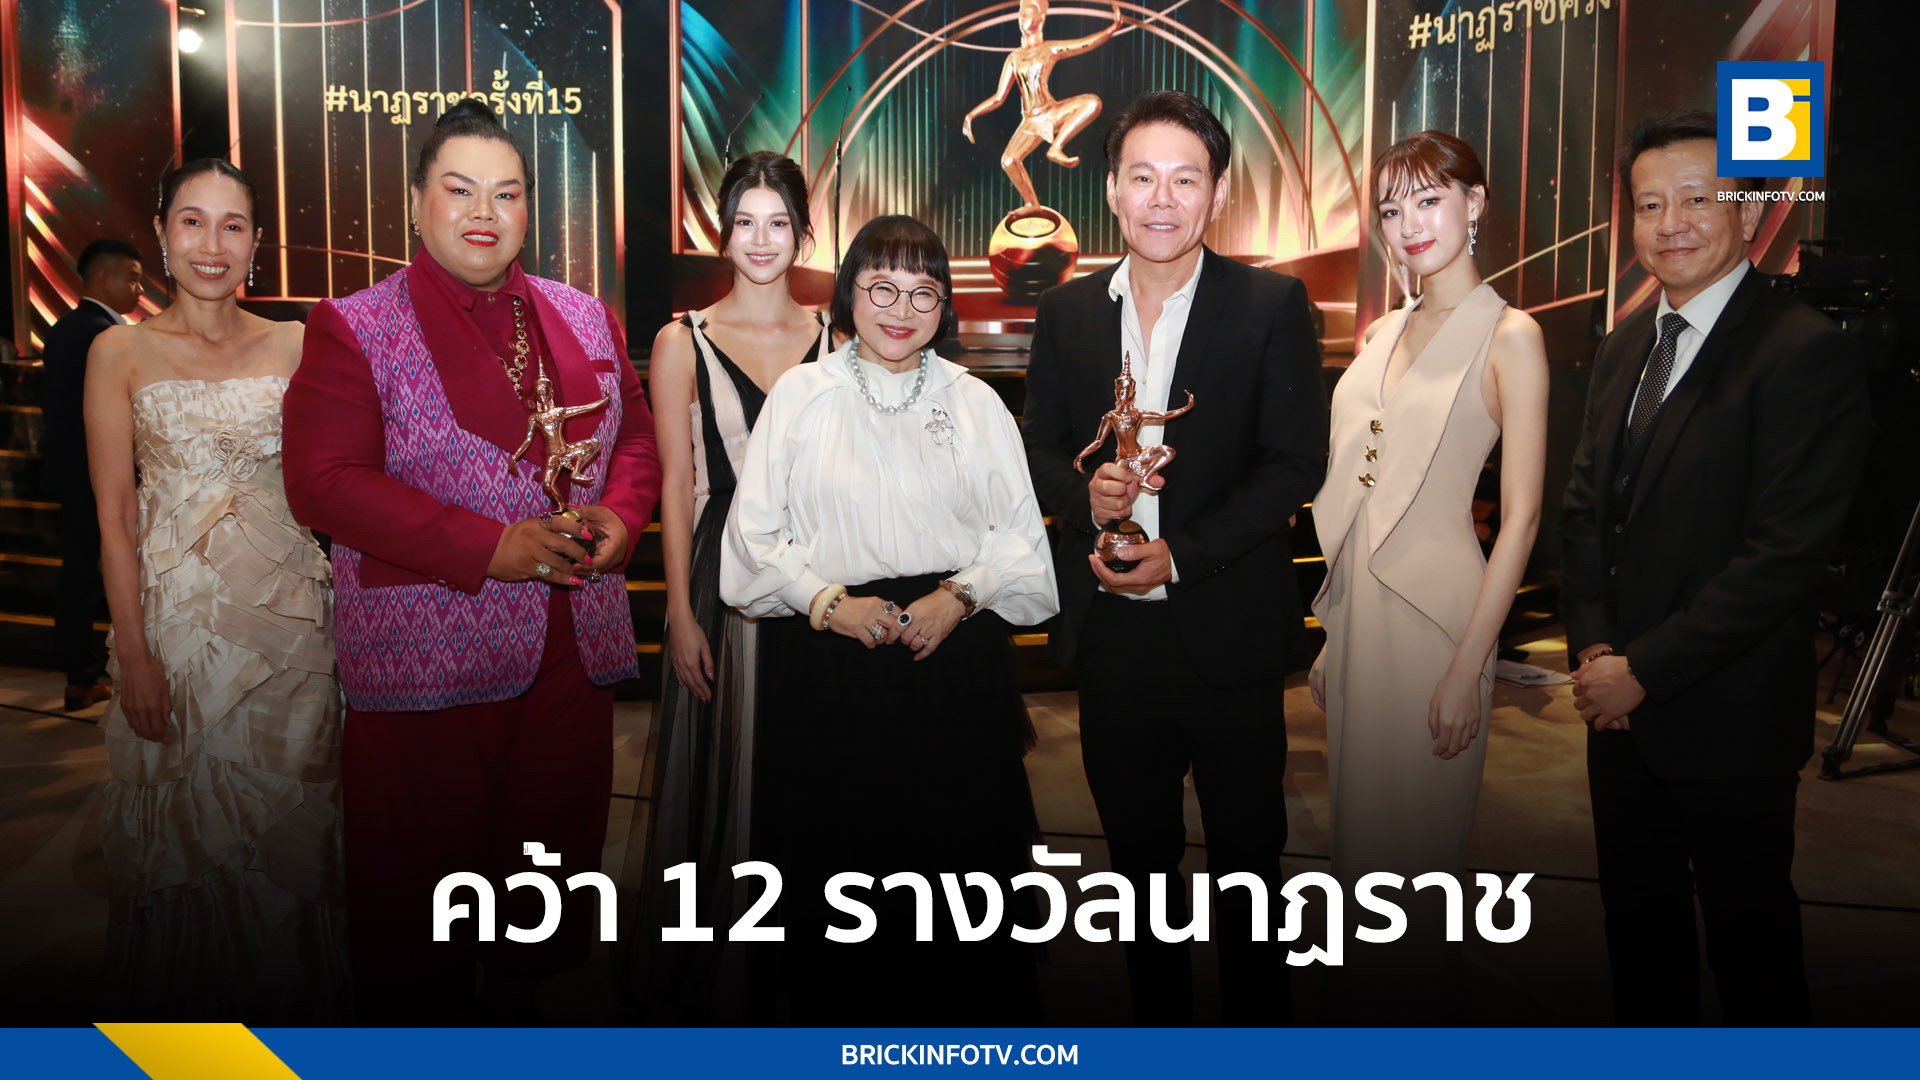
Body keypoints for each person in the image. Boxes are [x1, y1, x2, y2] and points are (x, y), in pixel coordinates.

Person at [282, 100, 661, 1023]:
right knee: (423, 899)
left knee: (545, 877)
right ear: (418, 200)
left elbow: (636, 440)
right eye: (460, 190)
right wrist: (491, 547)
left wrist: (621, 517)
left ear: (530, 208)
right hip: (427, 660)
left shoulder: (586, 315)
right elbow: (323, 483)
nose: (484, 212)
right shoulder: (354, 324)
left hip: (572, 652)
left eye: (507, 193)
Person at [1021, 90, 1326, 1025]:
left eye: (1185, 180)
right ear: (1112, 189)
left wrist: (1180, 555)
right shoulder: (1068, 311)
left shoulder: (1271, 304)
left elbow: (1293, 465)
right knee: (1138, 876)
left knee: (1249, 876)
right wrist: (1085, 497)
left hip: (1228, 633)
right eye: (1143, 178)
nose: (1163, 199)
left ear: (1218, 193)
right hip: (1113, 642)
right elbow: (1039, 446)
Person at [1560, 109, 1869, 1025]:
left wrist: (1644, 670)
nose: (1672, 224)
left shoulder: (1803, 349)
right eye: (1650, 204)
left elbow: (1782, 557)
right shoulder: (1625, 344)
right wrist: (1596, 652)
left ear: (1749, 213)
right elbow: (1585, 514)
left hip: (1729, 716)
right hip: (1617, 714)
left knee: (1752, 956)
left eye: (1696, 199)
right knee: (1638, 942)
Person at [722, 214, 1057, 1024]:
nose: (901, 309)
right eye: (881, 287)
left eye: (923, 292)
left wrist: (961, 595)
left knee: (961, 884)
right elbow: (750, 544)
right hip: (831, 669)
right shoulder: (801, 395)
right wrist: (827, 602)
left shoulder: (975, 402)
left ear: (945, 306)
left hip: (953, 665)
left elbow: (1022, 542)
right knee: (841, 884)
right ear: (848, 294)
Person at [84, 160, 347, 1020]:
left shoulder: (298, 343)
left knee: (293, 828)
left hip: (292, 635)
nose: (212, 243)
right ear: (162, 234)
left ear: (257, 243)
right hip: (178, 633)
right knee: (184, 833)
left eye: (233, 225)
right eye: (192, 221)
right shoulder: (117, 351)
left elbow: (341, 480)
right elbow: (114, 518)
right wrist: (133, 652)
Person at [1307, 131, 1547, 1018]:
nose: (1409, 223)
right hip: (1359, 626)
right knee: (1362, 870)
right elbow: (1359, 488)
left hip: (1439, 629)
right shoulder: (1381, 332)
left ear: (1475, 204)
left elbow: (1521, 517)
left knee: (1418, 873)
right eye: (1390, 208)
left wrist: (1468, 666)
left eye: (1429, 199)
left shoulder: (1511, 336)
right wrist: (1332, 628)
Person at [616, 151, 830, 1023]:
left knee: (813, 768)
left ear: (803, 233)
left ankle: (815, 964)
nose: (761, 240)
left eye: (778, 223)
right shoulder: (683, 340)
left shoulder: (838, 335)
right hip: (723, 575)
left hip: (825, 575)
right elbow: (675, 485)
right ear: (723, 233)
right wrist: (678, 610)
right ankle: (732, 984)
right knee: (728, 777)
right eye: (745, 222)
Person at [44, 238, 144, 711]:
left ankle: (79, 674)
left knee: (79, 571)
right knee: (91, 573)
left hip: (72, 473)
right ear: (104, 279)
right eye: (133, 278)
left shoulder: (65, 328)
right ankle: (85, 675)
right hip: (97, 475)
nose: (140, 289)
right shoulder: (103, 335)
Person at [961, 0, 1122, 211]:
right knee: (1009, 161)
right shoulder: (1014, 58)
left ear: (1040, 17)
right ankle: (1031, 203)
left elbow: (1083, 44)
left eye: (1027, 12)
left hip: (1051, 112)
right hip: (1030, 121)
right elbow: (999, 97)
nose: (1022, 18)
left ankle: (1057, 147)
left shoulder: (1048, 49)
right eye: (1021, 14)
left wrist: (1111, 29)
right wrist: (971, 115)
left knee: (1092, 103)